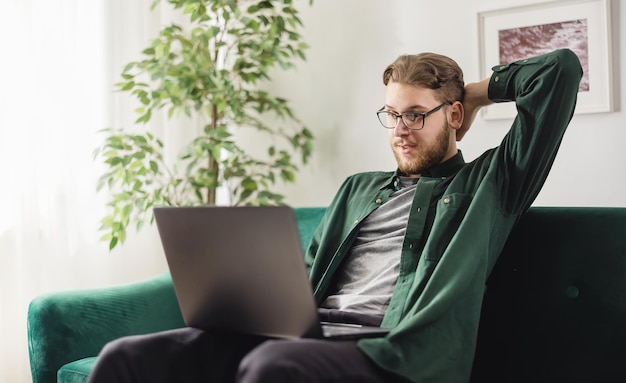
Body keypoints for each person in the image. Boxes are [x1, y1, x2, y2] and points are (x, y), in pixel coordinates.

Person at [87, 48, 582, 383]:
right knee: (126, 356)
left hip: (392, 351)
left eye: (416, 114)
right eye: (391, 114)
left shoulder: (492, 183)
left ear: (452, 116)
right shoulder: (357, 189)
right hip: (307, 334)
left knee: (271, 366)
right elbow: (302, 277)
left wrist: (472, 94)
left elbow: (557, 70)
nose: (400, 129)